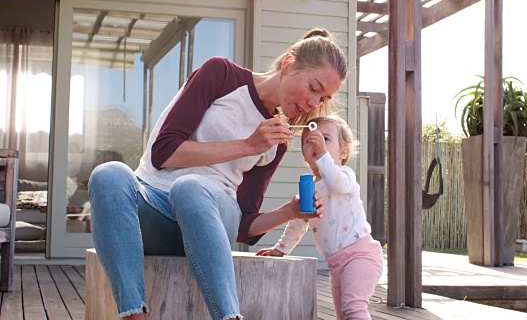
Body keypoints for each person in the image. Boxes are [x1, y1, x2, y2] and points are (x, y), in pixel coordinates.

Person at [88, 28, 348, 320]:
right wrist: (248, 145)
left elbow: (244, 224)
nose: (314, 104)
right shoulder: (221, 75)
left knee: (191, 188)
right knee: (108, 175)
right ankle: (134, 315)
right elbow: (163, 152)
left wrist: (290, 211)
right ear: (288, 63)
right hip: (155, 210)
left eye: (323, 98)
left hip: (212, 214)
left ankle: (228, 317)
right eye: (313, 88)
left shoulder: (277, 137)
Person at [256, 115, 384, 320]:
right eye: (309, 140)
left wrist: (323, 155)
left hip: (361, 255)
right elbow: (298, 221)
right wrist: (280, 249)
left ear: (343, 152)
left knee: (354, 308)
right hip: (336, 263)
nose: (316, 141)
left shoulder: (345, 175)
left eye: (326, 138)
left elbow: (336, 184)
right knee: (343, 315)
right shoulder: (311, 188)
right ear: (305, 156)